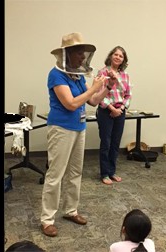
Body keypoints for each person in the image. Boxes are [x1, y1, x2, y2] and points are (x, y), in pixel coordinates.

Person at [40, 32, 118, 237]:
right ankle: (47, 220)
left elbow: (92, 101)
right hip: (61, 128)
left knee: (75, 172)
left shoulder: (77, 75)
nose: (83, 58)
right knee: (55, 174)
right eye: (79, 54)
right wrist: (93, 87)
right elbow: (71, 103)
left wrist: (107, 86)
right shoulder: (56, 75)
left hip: (78, 128)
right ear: (67, 54)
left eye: (84, 54)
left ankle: (70, 210)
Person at [95, 46, 132, 185]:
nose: (118, 57)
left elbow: (128, 95)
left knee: (115, 143)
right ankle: (104, 173)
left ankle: (112, 171)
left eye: (121, 56)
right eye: (115, 54)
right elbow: (98, 93)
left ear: (124, 60)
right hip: (106, 111)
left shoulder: (125, 75)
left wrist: (121, 108)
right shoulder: (102, 73)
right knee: (106, 143)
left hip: (120, 111)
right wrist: (111, 108)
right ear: (111, 56)